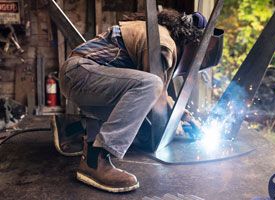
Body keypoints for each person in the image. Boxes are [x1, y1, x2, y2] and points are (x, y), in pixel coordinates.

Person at [59, 9, 207, 193]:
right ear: (191, 41)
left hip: (82, 78)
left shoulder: (154, 32)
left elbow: (145, 101)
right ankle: (98, 158)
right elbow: (156, 96)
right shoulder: (163, 42)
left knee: (141, 128)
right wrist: (176, 121)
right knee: (151, 85)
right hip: (80, 74)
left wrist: (183, 117)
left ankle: (77, 137)